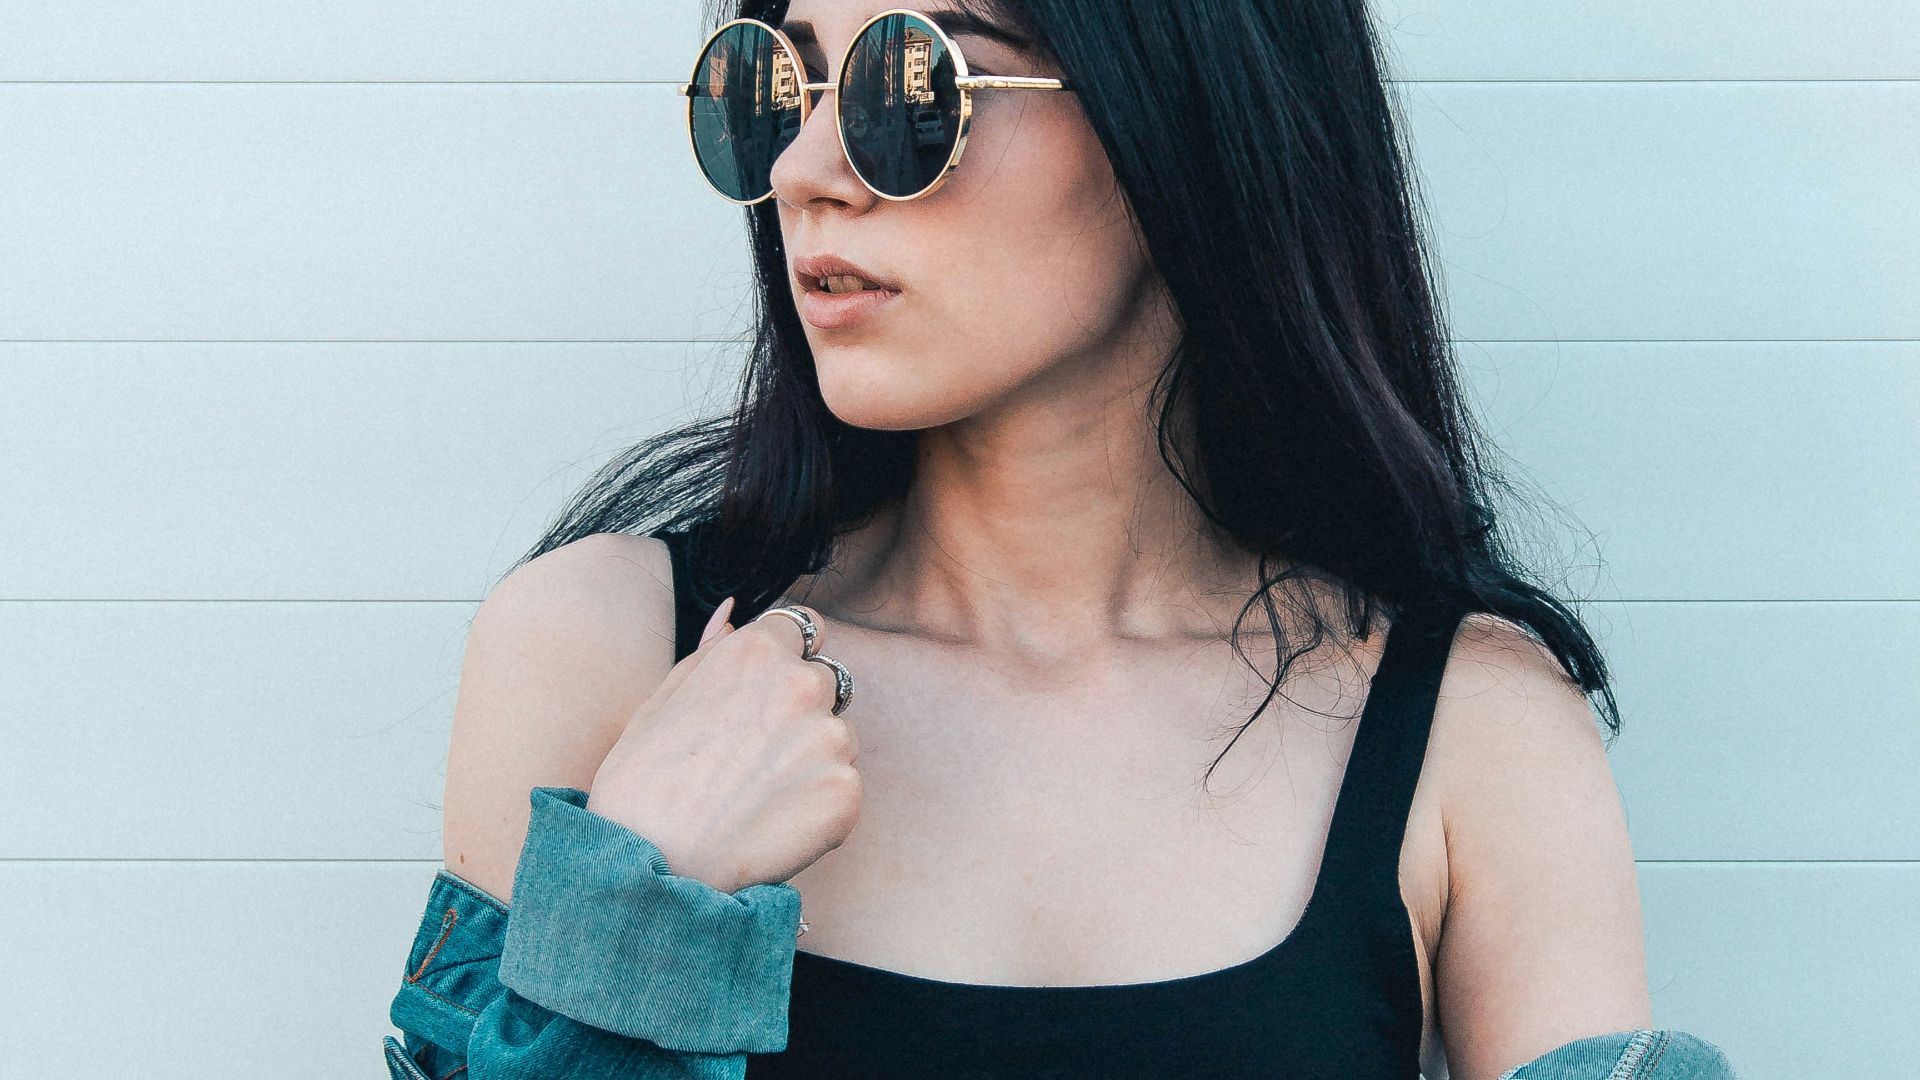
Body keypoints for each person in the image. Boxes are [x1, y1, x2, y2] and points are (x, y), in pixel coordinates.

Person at [386, 1, 1739, 1076]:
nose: (805, 171)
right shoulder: (606, 658)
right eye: (774, 89)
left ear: (1182, 118)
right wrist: (640, 910)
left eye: (911, 89)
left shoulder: (1468, 725)